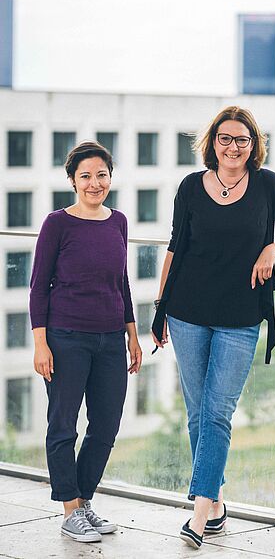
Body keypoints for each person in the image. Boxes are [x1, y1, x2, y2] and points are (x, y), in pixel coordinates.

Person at [152, 105, 275, 549]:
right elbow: (176, 247)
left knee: (218, 411)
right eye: (225, 138)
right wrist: (160, 307)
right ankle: (214, 505)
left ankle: (198, 515)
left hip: (240, 317)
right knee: (198, 413)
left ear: (254, 145)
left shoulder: (269, 185)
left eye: (242, 140)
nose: (233, 147)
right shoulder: (190, 187)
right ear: (212, 142)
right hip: (186, 311)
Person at [30, 141, 142, 543]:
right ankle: (69, 510)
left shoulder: (119, 222)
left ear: (110, 177)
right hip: (66, 338)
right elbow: (38, 286)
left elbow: (121, 282)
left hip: (111, 339)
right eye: (86, 176)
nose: (95, 183)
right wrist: (41, 344)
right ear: (73, 181)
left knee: (106, 424)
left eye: (101, 175)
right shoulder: (57, 224)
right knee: (63, 424)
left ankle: (84, 500)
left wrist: (132, 335)